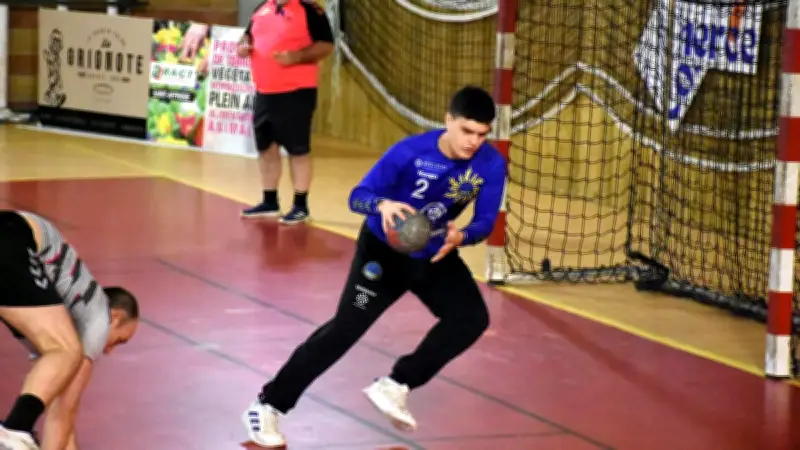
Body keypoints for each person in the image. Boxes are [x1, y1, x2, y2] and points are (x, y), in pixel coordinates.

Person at [241, 86, 506, 447]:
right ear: (448, 121)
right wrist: (382, 205)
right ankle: (267, 406)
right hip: (380, 258)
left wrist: (463, 236)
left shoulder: (490, 164)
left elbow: (486, 221)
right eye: (467, 131)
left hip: (433, 254)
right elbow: (358, 196)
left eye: (482, 134)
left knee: (471, 318)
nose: (474, 141)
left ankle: (396, 384)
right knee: (345, 329)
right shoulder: (409, 152)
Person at [0, 210, 140, 450]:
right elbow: (64, 411)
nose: (109, 351)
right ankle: (13, 431)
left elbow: (59, 414)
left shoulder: (53, 324)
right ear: (114, 318)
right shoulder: (98, 316)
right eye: (119, 341)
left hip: (11, 236)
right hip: (11, 234)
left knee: (59, 356)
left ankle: (14, 431)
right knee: (66, 351)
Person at [237, 0, 335, 224]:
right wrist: (243, 45)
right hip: (264, 91)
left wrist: (296, 56)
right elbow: (247, 36)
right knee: (266, 148)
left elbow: (326, 45)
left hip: (296, 91)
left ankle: (301, 206)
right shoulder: (262, 8)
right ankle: (269, 201)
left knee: (297, 149)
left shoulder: (310, 10)